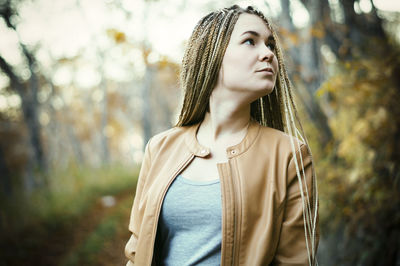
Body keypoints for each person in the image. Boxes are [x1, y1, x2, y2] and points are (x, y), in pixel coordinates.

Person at [125, 4, 319, 266]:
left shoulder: (289, 155)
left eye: (270, 45)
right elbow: (138, 252)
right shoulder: (159, 148)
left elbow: (296, 262)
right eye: (250, 41)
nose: (268, 54)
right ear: (212, 54)